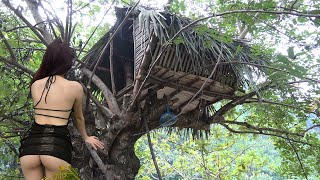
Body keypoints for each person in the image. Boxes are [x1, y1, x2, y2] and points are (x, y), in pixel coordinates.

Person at [19, 38, 104, 180]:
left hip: (29, 149)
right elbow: (78, 118)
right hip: (56, 148)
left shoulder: (35, 84)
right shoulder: (75, 87)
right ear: (67, 63)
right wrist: (86, 137)